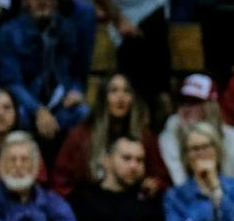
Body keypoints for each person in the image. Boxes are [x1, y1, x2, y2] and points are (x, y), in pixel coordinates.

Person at [0, 0, 94, 146]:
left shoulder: (68, 29)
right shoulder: (9, 32)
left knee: (82, 112)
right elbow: (11, 82)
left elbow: (78, 71)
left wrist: (76, 90)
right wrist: (38, 110)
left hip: (60, 101)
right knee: (20, 115)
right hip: (26, 101)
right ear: (25, 1)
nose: (42, 1)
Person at [52, 71, 170, 199]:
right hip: (90, 205)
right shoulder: (81, 135)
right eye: (114, 91)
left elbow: (163, 178)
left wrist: (155, 184)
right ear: (103, 98)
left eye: (126, 91)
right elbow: (60, 181)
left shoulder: (145, 136)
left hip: (133, 204)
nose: (121, 97)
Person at [161, 73, 234, 186]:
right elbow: (179, 183)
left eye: (193, 103)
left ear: (210, 107)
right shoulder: (171, 133)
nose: (185, 109)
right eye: (182, 102)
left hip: (231, 200)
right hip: (188, 201)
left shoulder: (233, 139)